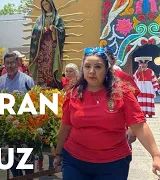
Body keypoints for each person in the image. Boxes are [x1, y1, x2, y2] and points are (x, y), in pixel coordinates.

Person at [54, 47, 160, 179]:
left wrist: (156, 155)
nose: (92, 71)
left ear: (107, 70)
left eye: (98, 67)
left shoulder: (122, 93)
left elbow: (139, 125)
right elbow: (65, 125)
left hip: (113, 164)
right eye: (87, 66)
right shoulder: (74, 93)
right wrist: (58, 153)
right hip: (75, 162)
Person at [0, 52, 35, 178]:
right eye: (8, 63)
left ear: (18, 63)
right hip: (6, 128)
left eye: (13, 62)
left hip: (24, 126)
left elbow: (34, 101)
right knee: (11, 161)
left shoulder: (27, 80)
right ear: (4, 65)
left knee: (27, 160)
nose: (10, 65)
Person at [29, 0, 65, 89]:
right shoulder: (40, 19)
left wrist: (54, 29)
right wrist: (41, 29)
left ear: (51, 4)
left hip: (53, 46)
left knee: (51, 64)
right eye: (43, 4)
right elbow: (35, 31)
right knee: (42, 63)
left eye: (47, 4)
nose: (45, 6)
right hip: (42, 47)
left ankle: (52, 84)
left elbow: (62, 30)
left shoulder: (57, 18)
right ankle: (42, 84)